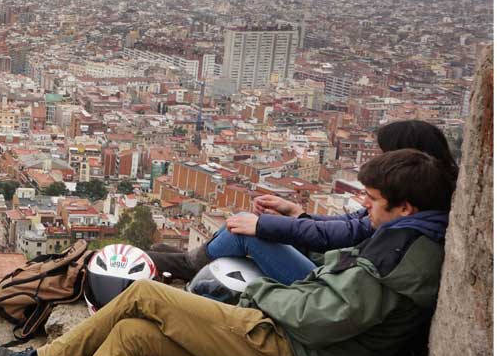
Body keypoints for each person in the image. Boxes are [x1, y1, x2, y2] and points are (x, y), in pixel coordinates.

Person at [0, 149, 452, 356]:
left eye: (371, 200)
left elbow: (320, 318)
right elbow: (328, 299)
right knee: (136, 335)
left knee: (148, 294)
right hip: (291, 352)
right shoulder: (407, 238)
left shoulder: (402, 253)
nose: (365, 209)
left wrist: (251, 292)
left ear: (404, 207)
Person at [148, 119, 459, 285]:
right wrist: (297, 214)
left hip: (330, 285)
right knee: (253, 226)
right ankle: (187, 262)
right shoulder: (416, 206)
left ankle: (187, 266)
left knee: (244, 232)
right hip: (339, 276)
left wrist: (266, 225)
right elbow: (349, 225)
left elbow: (341, 235)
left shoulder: (407, 213)